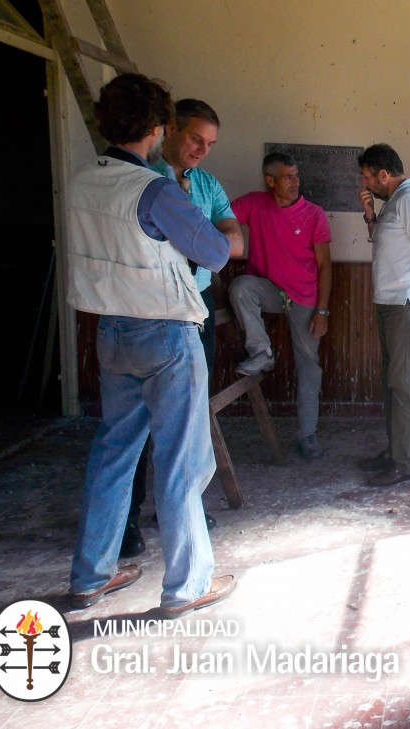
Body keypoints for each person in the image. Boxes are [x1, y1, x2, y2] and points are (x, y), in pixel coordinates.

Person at [66, 73, 236, 618]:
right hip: (164, 332)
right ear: (159, 128)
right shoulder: (156, 190)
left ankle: (92, 574)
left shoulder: (82, 180)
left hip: (111, 330)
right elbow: (212, 251)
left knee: (113, 453)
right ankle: (188, 584)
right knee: (182, 461)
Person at [120, 98, 244, 559]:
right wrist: (203, 242)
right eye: (195, 138)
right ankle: (127, 519)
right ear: (168, 129)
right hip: (149, 306)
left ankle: (180, 510)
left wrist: (200, 242)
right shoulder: (143, 178)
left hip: (198, 305)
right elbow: (199, 244)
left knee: (190, 415)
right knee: (136, 422)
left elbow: (233, 241)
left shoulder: (207, 183)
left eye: (210, 143)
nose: (202, 150)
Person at [229, 153, 332, 460]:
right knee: (239, 286)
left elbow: (325, 265)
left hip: (304, 297)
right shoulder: (254, 203)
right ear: (270, 181)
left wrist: (322, 311)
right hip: (269, 290)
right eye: (287, 177)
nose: (295, 182)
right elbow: (219, 216)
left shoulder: (314, 214)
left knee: (308, 366)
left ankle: (308, 434)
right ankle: (262, 353)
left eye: (296, 175)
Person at [355, 144, 410, 487]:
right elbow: (392, 244)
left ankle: (405, 464)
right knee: (392, 382)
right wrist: (371, 218)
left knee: (403, 384)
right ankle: (395, 452)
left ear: (383, 175)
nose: (363, 182)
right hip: (392, 302)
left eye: (366, 176)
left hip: (405, 303)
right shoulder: (394, 202)